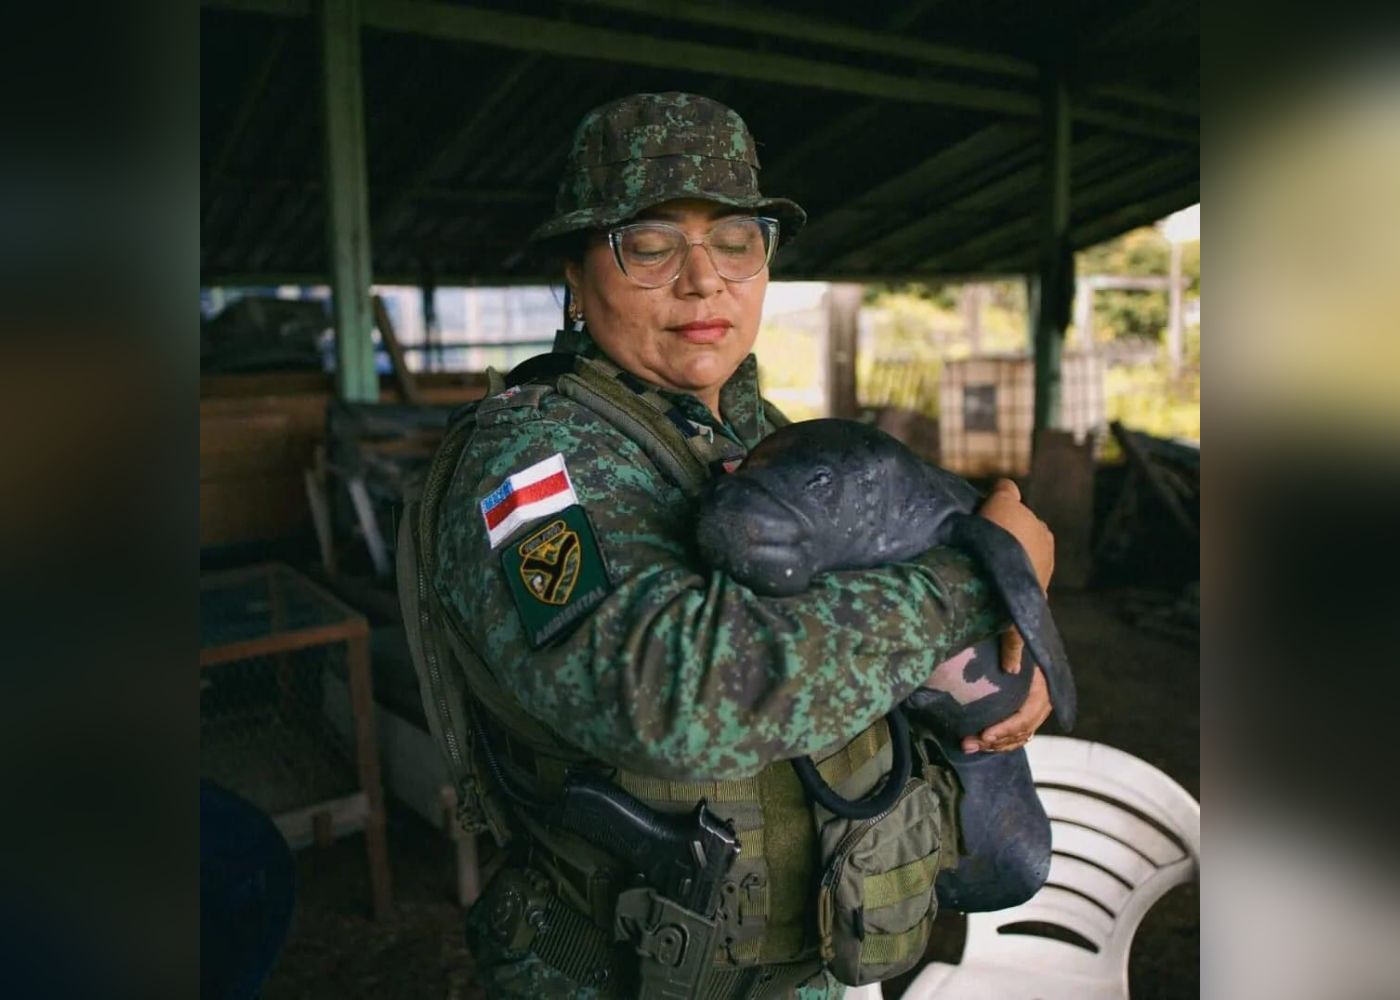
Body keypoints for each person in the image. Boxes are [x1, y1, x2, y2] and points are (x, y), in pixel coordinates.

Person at [403, 92, 1058, 999]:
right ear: (575, 275)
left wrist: (999, 663)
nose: (703, 280)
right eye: (650, 244)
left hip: (811, 965)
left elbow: (877, 622)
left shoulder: (772, 438)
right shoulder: (526, 462)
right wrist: (979, 584)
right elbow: (668, 700)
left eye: (737, 239)